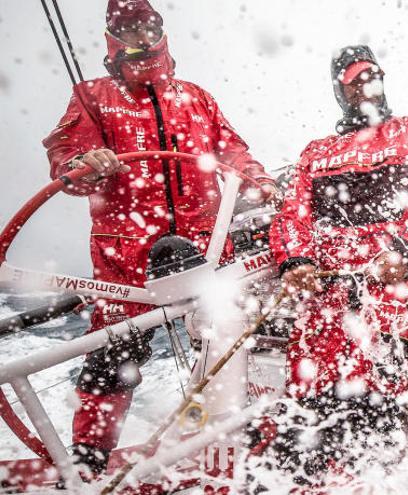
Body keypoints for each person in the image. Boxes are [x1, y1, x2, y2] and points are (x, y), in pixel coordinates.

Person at [42, 0, 278, 478]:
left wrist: (260, 181)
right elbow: (67, 154)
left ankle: (237, 432)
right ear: (112, 36)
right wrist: (83, 165)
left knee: (228, 342)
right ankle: (88, 459)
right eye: (127, 30)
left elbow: (233, 152)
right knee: (113, 355)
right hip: (127, 260)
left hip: (206, 251)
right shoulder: (92, 96)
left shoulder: (197, 97)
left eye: (147, 27)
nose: (140, 39)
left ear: (161, 30)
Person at [263, 45, 408, 486]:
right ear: (340, 89)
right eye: (354, 80)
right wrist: (295, 260)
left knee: (379, 397)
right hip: (326, 299)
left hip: (392, 291)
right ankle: (305, 475)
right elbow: (292, 216)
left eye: (371, 76)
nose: (365, 86)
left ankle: (376, 475)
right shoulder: (316, 153)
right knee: (309, 401)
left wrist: (405, 251)